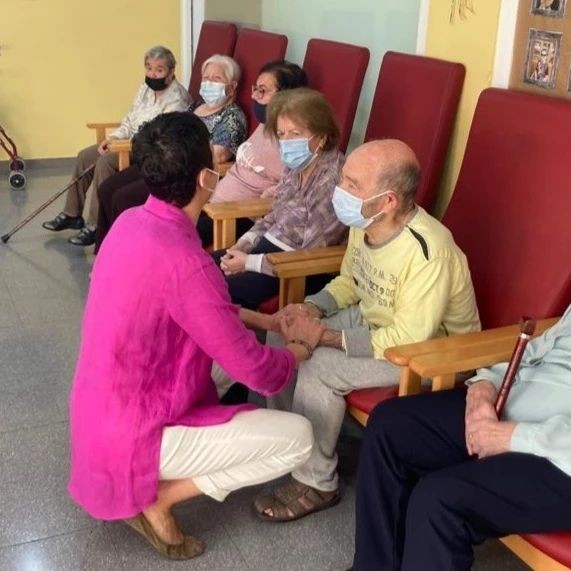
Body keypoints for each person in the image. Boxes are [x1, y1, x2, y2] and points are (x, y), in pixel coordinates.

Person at [68, 111, 325, 560]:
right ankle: (160, 498)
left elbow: (195, 308)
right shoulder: (188, 262)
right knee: (299, 438)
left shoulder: (130, 222)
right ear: (207, 177)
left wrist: (266, 322)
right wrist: (300, 347)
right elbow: (262, 376)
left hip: (97, 411)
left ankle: (163, 473)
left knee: (226, 357)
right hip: (134, 432)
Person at [244, 139, 481, 522]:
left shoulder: (429, 251)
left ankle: (317, 482)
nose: (340, 189)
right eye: (344, 179)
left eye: (353, 184)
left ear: (388, 201)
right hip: (374, 319)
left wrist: (326, 337)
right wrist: (310, 308)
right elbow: (350, 283)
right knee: (282, 331)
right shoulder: (366, 223)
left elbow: (409, 339)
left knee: (320, 365)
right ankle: (296, 446)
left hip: (435, 353)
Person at [352, 304, 571, 571]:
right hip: (516, 407)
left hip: (559, 456)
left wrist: (513, 436)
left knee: (438, 500)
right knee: (389, 425)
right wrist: (485, 384)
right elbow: (543, 347)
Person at [93, 53, 248, 252]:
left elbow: (217, 156)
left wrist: (175, 152)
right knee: (107, 188)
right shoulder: (197, 106)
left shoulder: (233, 117)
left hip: (182, 173)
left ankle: (128, 254)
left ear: (232, 87)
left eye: (216, 79)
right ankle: (105, 253)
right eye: (206, 78)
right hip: (165, 160)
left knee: (123, 198)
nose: (209, 83)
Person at [212, 87, 347, 309]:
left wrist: (249, 262)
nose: (286, 141)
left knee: (218, 292)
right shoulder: (297, 165)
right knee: (200, 269)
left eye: (295, 133)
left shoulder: (332, 179)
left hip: (296, 267)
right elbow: (275, 214)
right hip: (267, 249)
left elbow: (311, 254)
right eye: (281, 134)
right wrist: (245, 243)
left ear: (322, 137)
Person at [42, 45, 191, 246]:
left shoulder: (177, 100)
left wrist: (123, 146)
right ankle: (72, 214)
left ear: (171, 72)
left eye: (159, 70)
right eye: (148, 68)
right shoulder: (145, 89)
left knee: (105, 162)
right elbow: (129, 120)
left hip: (151, 150)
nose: (152, 74)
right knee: (85, 155)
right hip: (128, 143)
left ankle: (96, 225)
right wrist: (113, 138)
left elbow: (160, 138)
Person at [195, 59, 308, 248]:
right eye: (255, 89)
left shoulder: (293, 140)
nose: (254, 96)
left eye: (262, 91)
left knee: (172, 240)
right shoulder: (265, 124)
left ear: (287, 96)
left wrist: (267, 198)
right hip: (209, 202)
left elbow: (293, 185)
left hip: (234, 215)